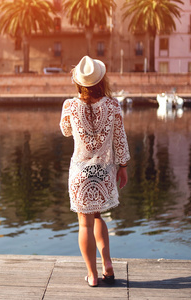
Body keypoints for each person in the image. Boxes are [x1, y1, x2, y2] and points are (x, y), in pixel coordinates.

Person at [59, 56, 130, 287]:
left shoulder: (70, 105)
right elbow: (120, 139)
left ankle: (92, 275)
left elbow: (66, 132)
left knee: (84, 224)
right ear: (101, 80)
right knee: (98, 216)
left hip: (80, 173)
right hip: (103, 172)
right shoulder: (113, 106)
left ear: (79, 82)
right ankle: (107, 264)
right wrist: (123, 167)